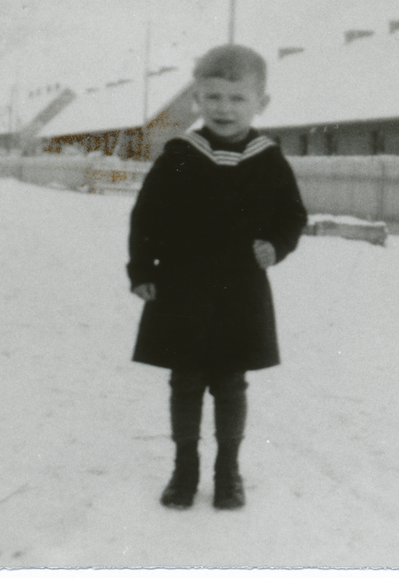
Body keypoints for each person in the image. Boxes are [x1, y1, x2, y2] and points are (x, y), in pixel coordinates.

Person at [127, 44, 307, 510]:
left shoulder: (268, 159)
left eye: (237, 98)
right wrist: (142, 269)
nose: (224, 108)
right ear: (196, 100)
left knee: (230, 382)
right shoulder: (180, 155)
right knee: (185, 381)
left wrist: (276, 243)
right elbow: (147, 218)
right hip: (182, 290)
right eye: (213, 97)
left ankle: (228, 469)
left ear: (260, 103)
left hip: (239, 293)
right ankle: (184, 467)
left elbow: (291, 215)